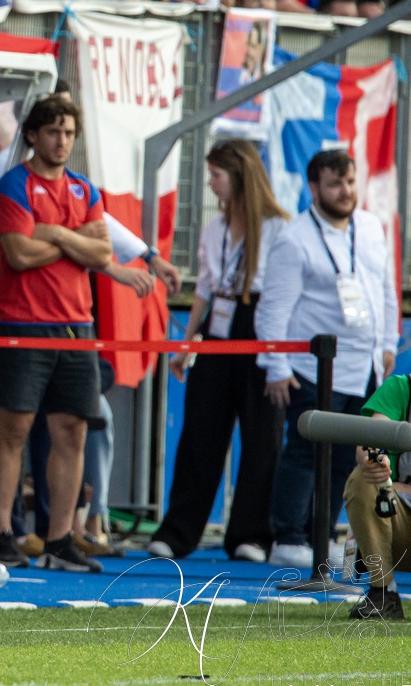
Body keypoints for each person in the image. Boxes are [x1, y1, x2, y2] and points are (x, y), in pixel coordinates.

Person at [256, 148, 398, 568]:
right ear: (314, 187)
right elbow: (273, 309)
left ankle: (321, 535)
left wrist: (388, 344)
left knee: (346, 458)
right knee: (304, 454)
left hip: (365, 365)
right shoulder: (294, 237)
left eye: (350, 181)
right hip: (313, 369)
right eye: (335, 184)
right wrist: (276, 367)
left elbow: (385, 290)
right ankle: (288, 538)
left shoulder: (370, 227)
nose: (346, 191)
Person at [0, 96, 110, 574]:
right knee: (13, 429)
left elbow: (102, 254)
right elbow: (18, 254)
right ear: (33, 135)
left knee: (72, 431)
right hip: (22, 323)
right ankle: (2, 533)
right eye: (54, 131)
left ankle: (60, 539)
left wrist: (53, 233)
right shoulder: (14, 183)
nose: (62, 141)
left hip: (78, 325)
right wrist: (75, 241)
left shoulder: (83, 187)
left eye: (69, 133)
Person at [148, 139, 288, 562]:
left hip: (262, 324)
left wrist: (280, 354)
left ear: (239, 177)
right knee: (201, 430)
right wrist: (187, 345)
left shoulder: (279, 228)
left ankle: (252, 533)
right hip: (218, 328)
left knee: (262, 436)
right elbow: (205, 290)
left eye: (216, 175)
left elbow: (283, 294)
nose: (210, 183)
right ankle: (178, 531)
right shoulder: (215, 229)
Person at [344, 374, 411, 620]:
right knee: (364, 477)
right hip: (400, 526)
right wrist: (371, 460)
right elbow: (370, 439)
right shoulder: (402, 387)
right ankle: (384, 591)